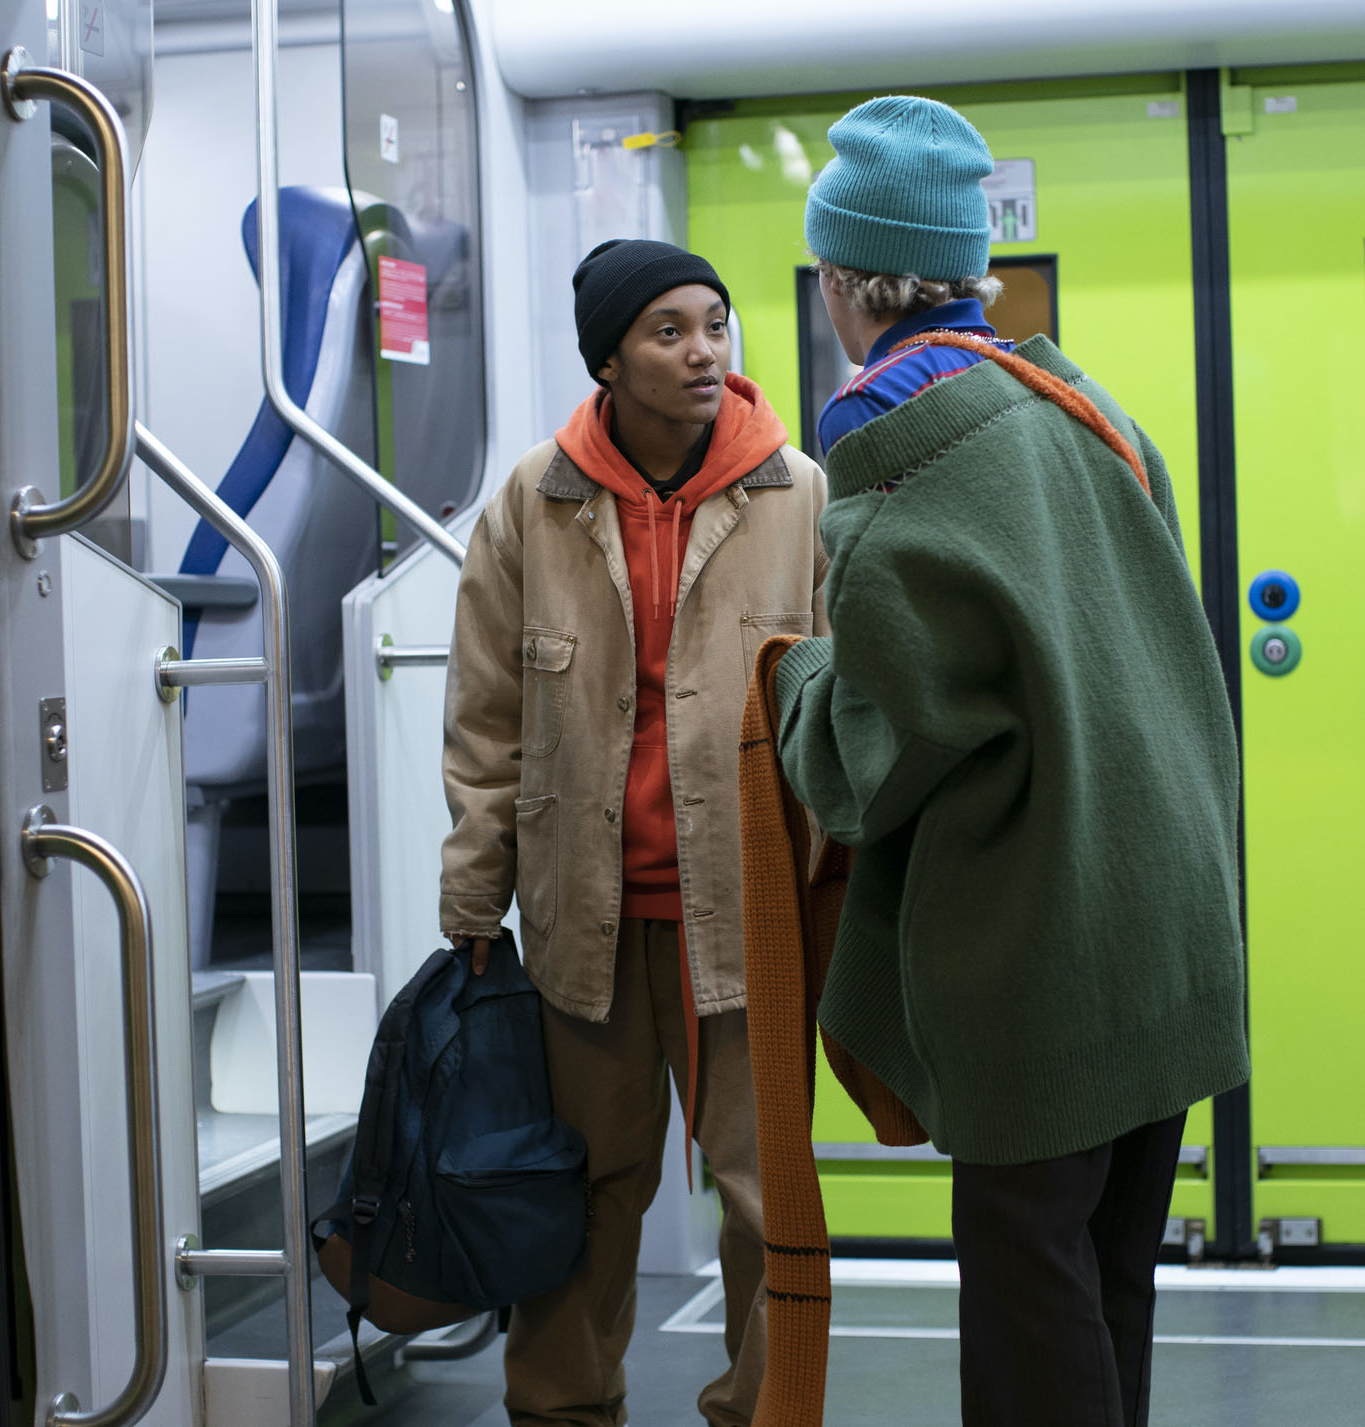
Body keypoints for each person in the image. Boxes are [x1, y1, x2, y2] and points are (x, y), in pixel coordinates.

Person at [776, 97, 1248, 1427]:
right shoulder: (1082, 404)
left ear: (843, 281)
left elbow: (877, 751)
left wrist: (792, 676)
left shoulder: (894, 445)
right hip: (1166, 928)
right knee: (1108, 1281)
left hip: (1044, 951)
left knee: (1031, 1298)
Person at [439, 238, 828, 1427]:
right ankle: (562, 1408)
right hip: (581, 923)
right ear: (609, 356)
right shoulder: (534, 498)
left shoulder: (795, 490)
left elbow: (841, 707)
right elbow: (486, 719)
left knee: (769, 1202)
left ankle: (767, 1412)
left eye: (716, 323)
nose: (704, 350)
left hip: (752, 914)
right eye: (669, 330)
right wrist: (472, 898)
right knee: (587, 1191)